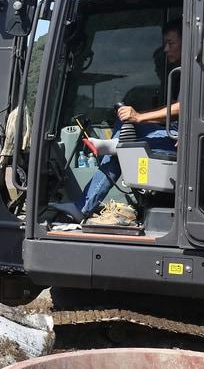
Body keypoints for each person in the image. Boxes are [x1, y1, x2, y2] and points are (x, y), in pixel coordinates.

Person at [76, 21, 182, 220]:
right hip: (175, 131)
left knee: (121, 146)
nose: (166, 49)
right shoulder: (183, 73)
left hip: (181, 139)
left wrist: (140, 116)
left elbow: (182, 108)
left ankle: (82, 206)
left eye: (171, 43)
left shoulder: (194, 72)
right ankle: (117, 144)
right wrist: (135, 118)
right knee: (125, 122)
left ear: (187, 43)